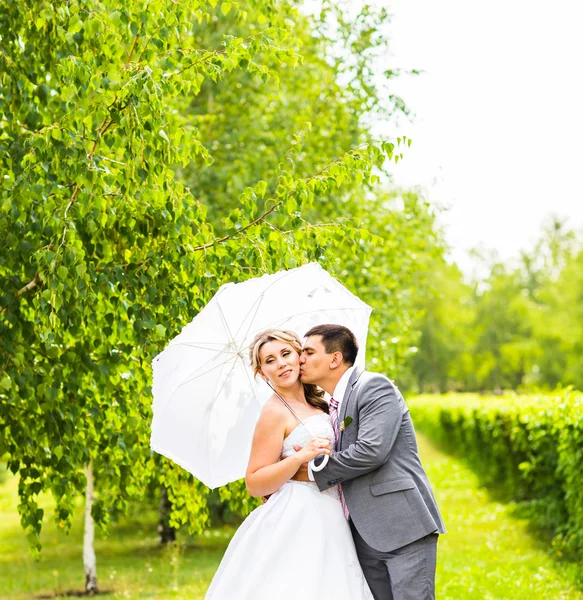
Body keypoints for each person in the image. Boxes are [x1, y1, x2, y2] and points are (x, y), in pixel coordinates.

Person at [205, 328, 374, 600]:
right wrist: (298, 457)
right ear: (262, 373)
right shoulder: (273, 413)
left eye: (286, 354)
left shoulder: (321, 403)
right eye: (270, 360)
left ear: (300, 356)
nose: (281, 363)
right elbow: (254, 481)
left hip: (332, 511)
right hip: (299, 515)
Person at [295, 324, 446, 600]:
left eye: (307, 352)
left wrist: (312, 471)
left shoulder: (373, 386)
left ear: (334, 358)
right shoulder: (331, 404)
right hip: (361, 533)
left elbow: (371, 451)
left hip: (402, 526)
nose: (299, 359)